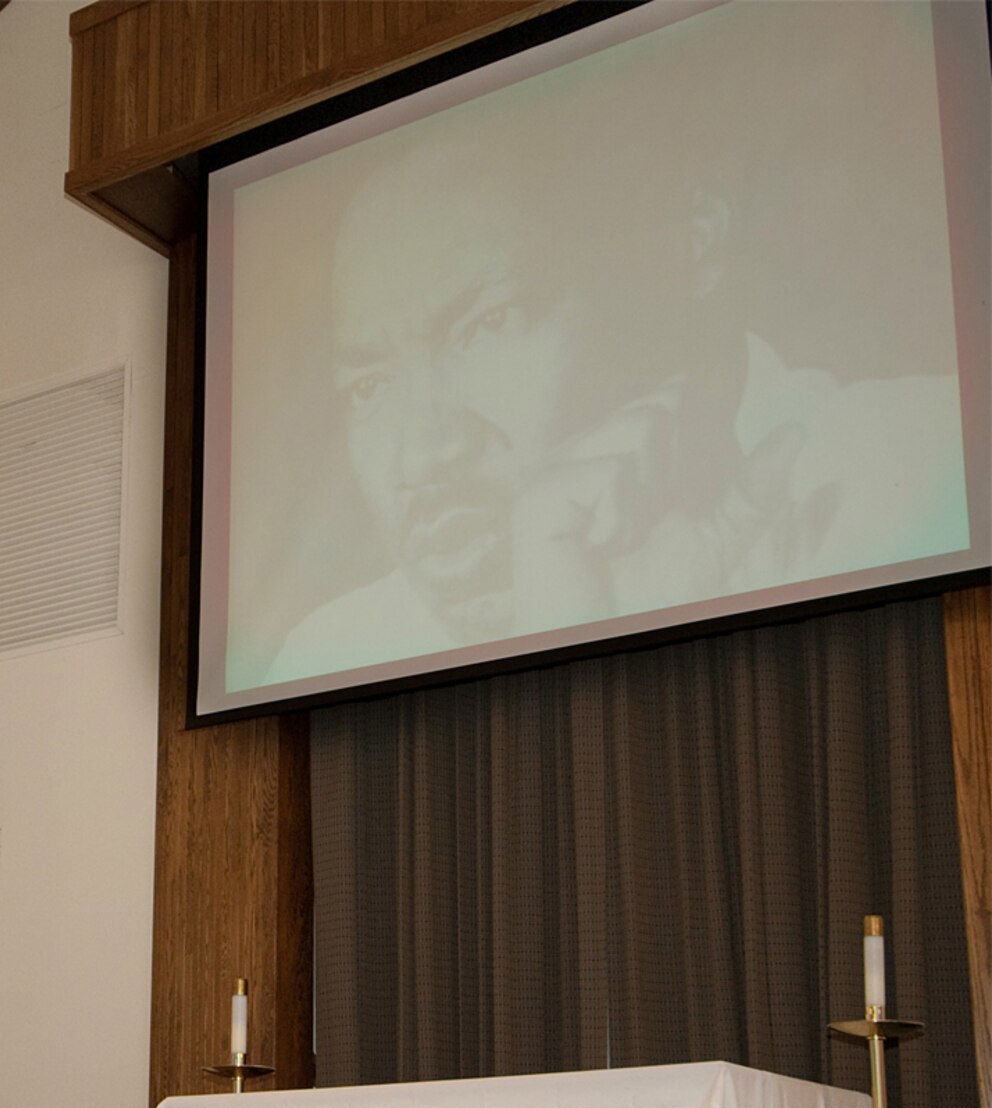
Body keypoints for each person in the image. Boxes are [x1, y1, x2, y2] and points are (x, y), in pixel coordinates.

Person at [265, 52, 967, 685]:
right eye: (369, 386)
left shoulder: (937, 467)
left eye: (490, 324)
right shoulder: (329, 648)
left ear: (692, 245)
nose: (419, 454)